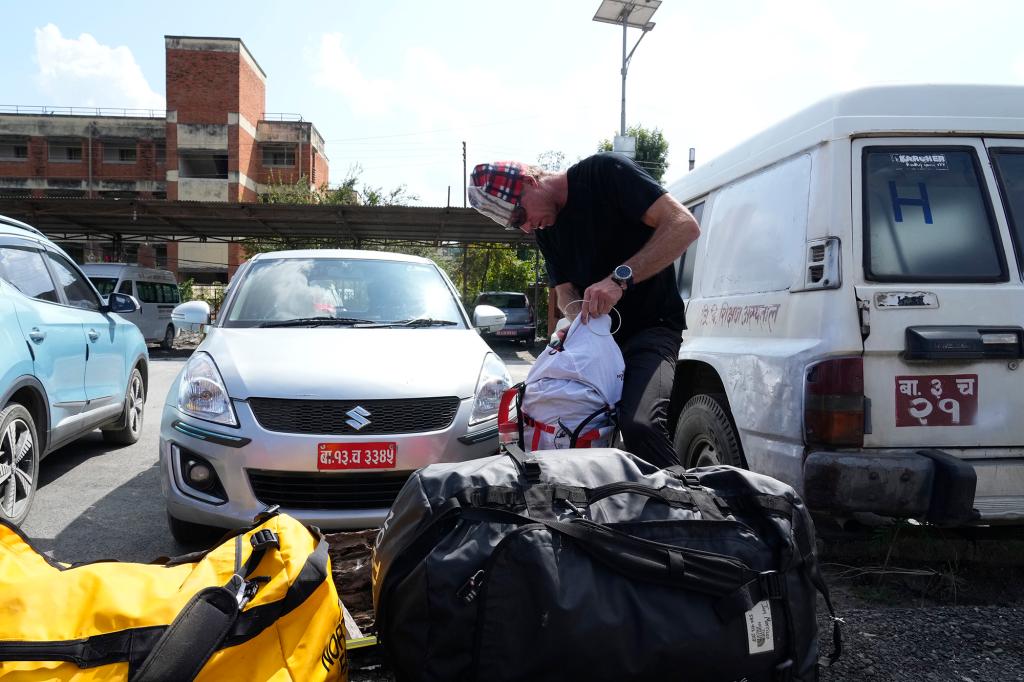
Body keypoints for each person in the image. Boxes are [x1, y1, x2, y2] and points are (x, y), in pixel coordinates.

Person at [467, 153, 700, 468]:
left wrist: (620, 279)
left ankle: (683, 506)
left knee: (639, 424)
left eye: (520, 215)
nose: (525, 228)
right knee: (565, 420)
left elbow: (684, 225)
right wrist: (575, 317)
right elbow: (564, 293)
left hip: (651, 328)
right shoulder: (547, 230)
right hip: (597, 345)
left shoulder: (604, 174)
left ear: (529, 181)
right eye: (515, 225)